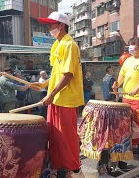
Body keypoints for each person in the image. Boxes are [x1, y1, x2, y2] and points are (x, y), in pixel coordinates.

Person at [34, 11, 85, 177]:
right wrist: (44, 84)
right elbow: (57, 72)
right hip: (56, 98)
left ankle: (72, 168)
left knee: (66, 136)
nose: (49, 27)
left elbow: (68, 75)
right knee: (54, 134)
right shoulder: (57, 44)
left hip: (66, 99)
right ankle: (58, 166)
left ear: (61, 25)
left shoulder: (70, 45)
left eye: (51, 24)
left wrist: (51, 93)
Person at [112, 37, 139, 159]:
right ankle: (133, 144)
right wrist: (117, 84)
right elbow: (122, 75)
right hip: (127, 97)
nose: (130, 47)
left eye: (133, 45)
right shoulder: (128, 60)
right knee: (128, 123)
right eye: (129, 45)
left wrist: (136, 90)